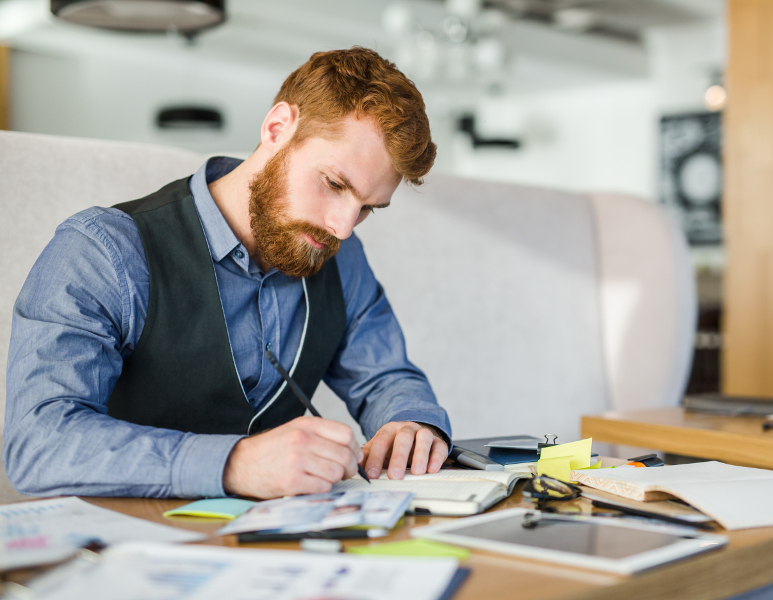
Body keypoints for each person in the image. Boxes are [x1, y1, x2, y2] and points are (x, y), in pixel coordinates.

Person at [3, 47, 451, 500]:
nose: (342, 227)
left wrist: (412, 422)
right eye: (335, 185)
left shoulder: (342, 259)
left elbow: (385, 377)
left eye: (367, 209)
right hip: (126, 545)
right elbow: (37, 442)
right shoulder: (103, 250)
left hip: (283, 549)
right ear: (277, 128)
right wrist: (235, 464)